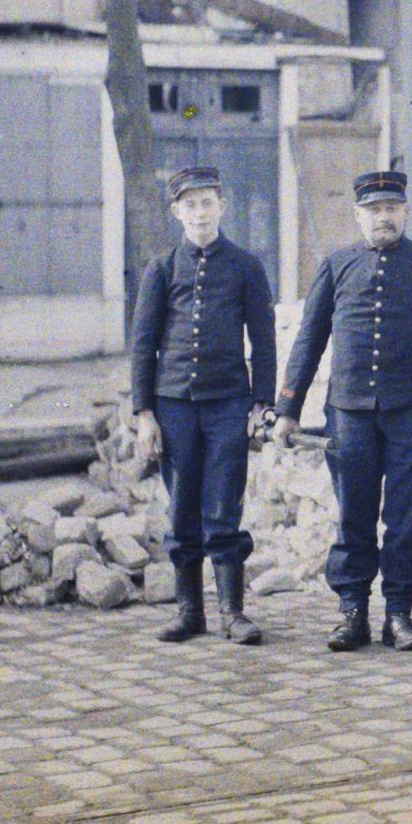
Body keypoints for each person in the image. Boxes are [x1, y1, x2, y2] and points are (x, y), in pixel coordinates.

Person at [272, 170, 412, 652]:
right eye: (374, 210)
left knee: (407, 517)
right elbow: (309, 340)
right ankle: (352, 613)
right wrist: (287, 409)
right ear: (359, 215)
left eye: (391, 209)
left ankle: (399, 615)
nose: (383, 217)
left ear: (405, 212)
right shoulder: (337, 266)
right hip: (350, 413)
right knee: (353, 514)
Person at [130, 165, 277, 645]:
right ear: (177, 212)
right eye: (189, 205)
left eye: (206, 202)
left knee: (223, 508)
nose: (199, 212)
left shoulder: (245, 267)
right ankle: (189, 612)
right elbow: (143, 344)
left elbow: (264, 342)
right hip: (174, 409)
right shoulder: (162, 268)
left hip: (227, 407)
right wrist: (144, 413)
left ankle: (232, 614)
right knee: (182, 511)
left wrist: (261, 404)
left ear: (222, 206)